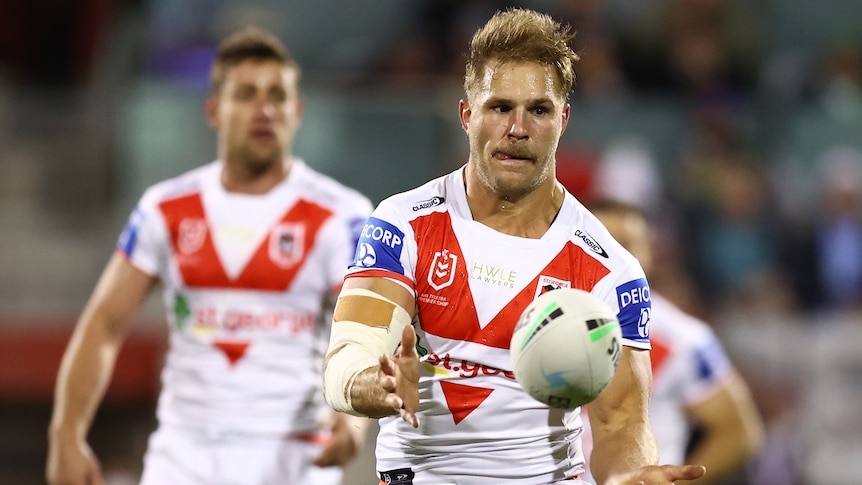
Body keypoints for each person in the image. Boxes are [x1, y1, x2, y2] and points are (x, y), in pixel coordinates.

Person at [322, 8, 706, 485]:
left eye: (538, 110)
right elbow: (349, 354)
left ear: (563, 119)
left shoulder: (612, 271)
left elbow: (622, 423)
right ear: (466, 115)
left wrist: (628, 476)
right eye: (500, 107)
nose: (518, 129)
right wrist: (373, 384)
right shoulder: (403, 224)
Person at [46, 26, 372, 485]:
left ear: (297, 112)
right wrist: (66, 436)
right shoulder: (166, 208)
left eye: (277, 96)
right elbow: (103, 324)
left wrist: (355, 420)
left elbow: (366, 331)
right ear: (214, 110)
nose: (264, 109)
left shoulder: (343, 215)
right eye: (246, 94)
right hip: (183, 455)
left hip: (292, 457)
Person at [579, 198, 765, 484]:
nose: (613, 260)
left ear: (649, 255)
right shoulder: (537, 321)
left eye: (626, 246)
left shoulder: (683, 339)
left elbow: (739, 431)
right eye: (601, 246)